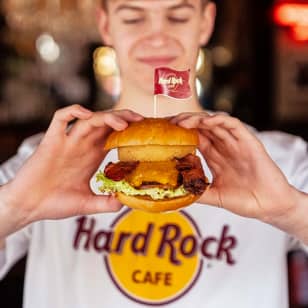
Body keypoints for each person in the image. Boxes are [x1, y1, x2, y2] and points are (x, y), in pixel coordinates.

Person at [0, 1, 307, 307]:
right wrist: (16, 208)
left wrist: (289, 211)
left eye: (177, 16)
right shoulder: (46, 158)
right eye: (134, 18)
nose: (158, 36)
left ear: (205, 22)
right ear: (106, 25)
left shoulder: (280, 160)